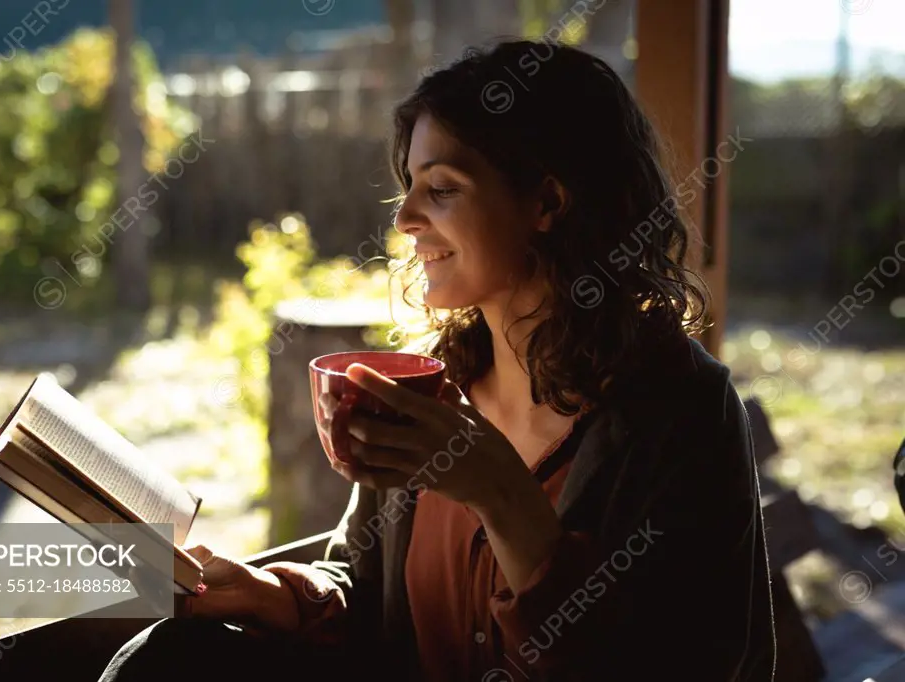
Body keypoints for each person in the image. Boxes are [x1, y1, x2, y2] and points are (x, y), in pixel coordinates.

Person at [101, 39, 777, 682]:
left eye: (442, 188)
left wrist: (500, 494)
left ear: (546, 203)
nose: (405, 219)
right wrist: (271, 594)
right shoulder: (431, 385)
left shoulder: (678, 411)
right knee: (164, 655)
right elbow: (365, 591)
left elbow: (688, 664)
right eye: (410, 185)